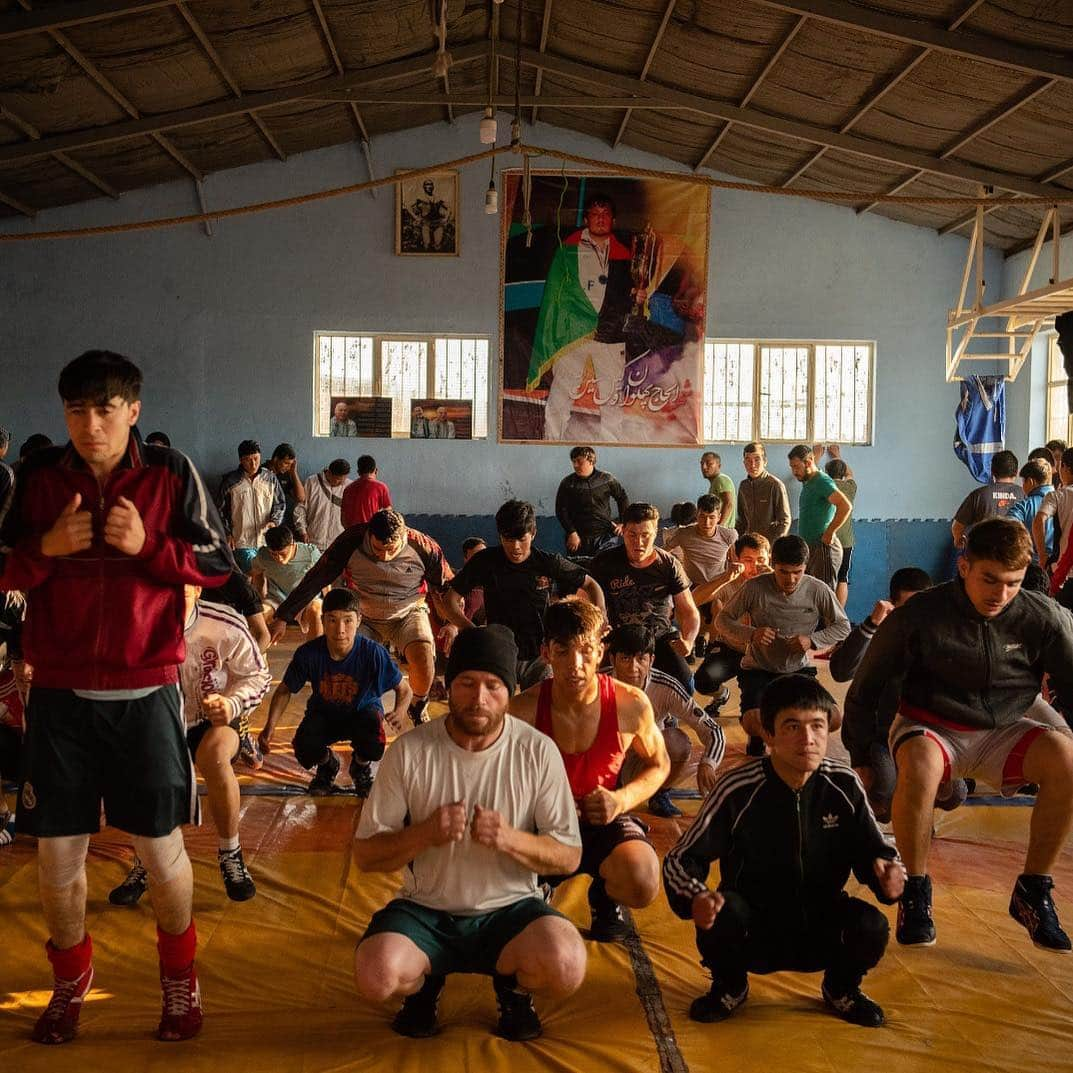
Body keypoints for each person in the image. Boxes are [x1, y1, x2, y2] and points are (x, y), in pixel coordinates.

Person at [0, 349, 233, 1043]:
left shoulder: (169, 472)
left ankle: (178, 979)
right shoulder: (36, 479)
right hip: (62, 697)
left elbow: (221, 563)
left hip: (146, 693)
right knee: (56, 861)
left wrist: (150, 547)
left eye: (105, 408)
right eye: (76, 408)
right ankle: (70, 979)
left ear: (133, 410)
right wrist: (45, 547)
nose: (90, 423)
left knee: (162, 855)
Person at [845, 518, 1073, 951]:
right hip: (931, 725)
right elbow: (863, 689)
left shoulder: (1042, 617)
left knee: (1066, 759)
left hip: (1004, 727)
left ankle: (1033, 890)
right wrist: (860, 755)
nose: (1000, 595)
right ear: (964, 566)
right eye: (990, 579)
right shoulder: (917, 616)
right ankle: (916, 890)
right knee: (920, 765)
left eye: (1012, 583)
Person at [353, 625, 586, 1040]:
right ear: (448, 686)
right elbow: (367, 856)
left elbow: (569, 856)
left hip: (512, 907)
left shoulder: (536, 751)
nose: (479, 698)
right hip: (427, 908)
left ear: (509, 692)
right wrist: (425, 833)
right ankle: (423, 987)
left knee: (567, 964)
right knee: (376, 974)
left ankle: (513, 989)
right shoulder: (410, 752)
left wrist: (508, 838)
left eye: (493, 685)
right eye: (467, 683)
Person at [663, 675, 903, 1027]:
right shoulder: (738, 788)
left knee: (871, 925)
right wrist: (696, 897)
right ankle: (730, 985)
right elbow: (680, 859)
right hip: (753, 930)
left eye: (817, 726)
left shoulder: (844, 784)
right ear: (769, 734)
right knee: (721, 912)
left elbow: (877, 851)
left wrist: (889, 875)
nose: (808, 739)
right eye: (793, 726)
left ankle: (842, 988)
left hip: (820, 925)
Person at [511, 599, 669, 941]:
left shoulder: (630, 704)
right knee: (495, 900)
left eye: (586, 651)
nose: (575, 664)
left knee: (641, 880)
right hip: (544, 826)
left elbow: (660, 763)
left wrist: (621, 799)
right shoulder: (521, 710)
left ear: (601, 651)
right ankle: (533, 891)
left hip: (604, 819)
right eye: (563, 651)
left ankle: (605, 897)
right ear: (546, 653)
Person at [109, 585, 272, 905]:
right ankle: (146, 859)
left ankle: (230, 853)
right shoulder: (133, 626)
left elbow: (258, 675)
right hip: (161, 721)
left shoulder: (224, 622)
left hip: (215, 717)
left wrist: (231, 703)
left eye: (179, 593)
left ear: (197, 590)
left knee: (214, 756)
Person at [269, 509, 453, 729]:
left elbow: (447, 588)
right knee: (350, 664)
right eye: (377, 549)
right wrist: (283, 615)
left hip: (408, 612)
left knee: (423, 657)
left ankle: (418, 704)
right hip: (364, 615)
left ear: (403, 536)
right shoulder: (350, 541)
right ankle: (359, 711)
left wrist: (451, 623)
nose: (383, 556)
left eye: (390, 550)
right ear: (369, 535)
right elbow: (316, 577)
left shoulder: (424, 546)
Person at [259, 589, 411, 797]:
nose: (340, 629)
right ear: (322, 620)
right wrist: (270, 727)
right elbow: (285, 690)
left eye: (348, 621)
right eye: (332, 620)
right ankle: (327, 765)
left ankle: (360, 766)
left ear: (358, 620)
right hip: (324, 714)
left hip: (362, 714)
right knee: (304, 745)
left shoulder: (373, 653)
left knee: (374, 742)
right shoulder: (309, 653)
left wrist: (400, 711)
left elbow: (404, 689)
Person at [443, 500, 605, 691]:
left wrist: (601, 615)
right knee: (501, 712)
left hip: (540, 653)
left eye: (522, 539)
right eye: (509, 540)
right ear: (500, 536)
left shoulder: (547, 562)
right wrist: (474, 631)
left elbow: (591, 585)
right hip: (500, 651)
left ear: (533, 533)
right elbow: (450, 600)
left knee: (542, 710)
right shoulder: (485, 561)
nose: (516, 547)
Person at [715, 535, 850, 756]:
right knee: (751, 722)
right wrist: (752, 634)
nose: (791, 579)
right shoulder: (754, 587)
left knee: (834, 717)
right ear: (773, 566)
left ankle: (785, 740)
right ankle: (767, 739)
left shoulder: (817, 589)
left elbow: (843, 626)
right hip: (759, 668)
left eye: (798, 572)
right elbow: (722, 620)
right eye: (784, 572)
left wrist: (812, 640)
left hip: (798, 669)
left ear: (805, 567)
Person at [829, 567, 934, 820]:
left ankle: (918, 805)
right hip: (879, 737)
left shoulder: (939, 633)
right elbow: (842, 672)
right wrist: (871, 625)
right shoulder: (880, 636)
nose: (914, 616)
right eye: (906, 608)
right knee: (884, 791)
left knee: (954, 792)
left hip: (925, 733)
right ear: (893, 606)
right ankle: (873, 809)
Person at [529, 194, 634, 442]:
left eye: (605, 214)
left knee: (611, 397)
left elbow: (628, 293)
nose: (600, 218)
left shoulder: (625, 254)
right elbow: (554, 294)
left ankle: (612, 448)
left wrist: (638, 294)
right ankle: (551, 442)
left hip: (610, 333)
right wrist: (560, 326)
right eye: (595, 214)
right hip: (573, 332)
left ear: (613, 220)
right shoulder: (568, 250)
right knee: (561, 392)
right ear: (586, 218)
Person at [607, 625, 725, 818]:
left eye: (641, 659)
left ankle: (660, 793)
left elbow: (712, 729)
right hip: (605, 760)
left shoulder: (666, 686)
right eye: (625, 659)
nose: (633, 667)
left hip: (644, 759)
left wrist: (708, 763)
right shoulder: (596, 683)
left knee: (678, 742)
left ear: (651, 660)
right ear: (612, 659)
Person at [589, 503, 701, 691]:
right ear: (622, 531)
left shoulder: (669, 565)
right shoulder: (604, 563)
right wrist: (594, 637)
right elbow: (584, 602)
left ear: (655, 532)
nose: (638, 542)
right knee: (596, 688)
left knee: (685, 685)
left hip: (660, 638)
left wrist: (688, 640)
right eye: (632, 535)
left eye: (645, 535)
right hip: (618, 638)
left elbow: (689, 611)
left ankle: (667, 718)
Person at [693, 533, 772, 713]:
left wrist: (774, 580)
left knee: (754, 710)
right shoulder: (731, 580)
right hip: (731, 649)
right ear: (737, 559)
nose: (755, 567)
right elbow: (693, 599)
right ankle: (721, 695)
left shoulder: (778, 581)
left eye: (761, 560)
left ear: (770, 557)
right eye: (748, 560)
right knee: (703, 681)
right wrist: (724, 579)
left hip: (762, 656)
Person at [787, 444, 852, 591]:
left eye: (796, 467)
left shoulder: (823, 481)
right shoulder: (808, 481)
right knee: (810, 594)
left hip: (823, 548)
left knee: (823, 594)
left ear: (809, 462)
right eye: (792, 467)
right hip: (809, 548)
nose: (794, 471)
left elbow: (845, 506)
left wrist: (829, 533)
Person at [217, 440, 285, 573]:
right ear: (241, 460)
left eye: (256, 458)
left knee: (268, 578)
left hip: (267, 541)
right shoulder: (231, 481)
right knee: (250, 577)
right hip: (242, 540)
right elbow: (220, 509)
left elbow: (280, 503)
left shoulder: (270, 478)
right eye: (248, 460)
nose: (253, 464)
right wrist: (227, 533)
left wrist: (274, 521)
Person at [250, 525, 323, 637]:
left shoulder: (310, 553)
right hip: (276, 599)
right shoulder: (263, 555)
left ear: (292, 544)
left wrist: (328, 602)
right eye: (274, 554)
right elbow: (256, 575)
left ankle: (315, 653)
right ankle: (257, 652)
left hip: (304, 599)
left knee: (315, 611)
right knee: (259, 616)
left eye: (282, 553)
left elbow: (325, 576)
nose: (279, 558)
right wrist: (259, 598)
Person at [555, 445, 629, 555]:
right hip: (578, 537)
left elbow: (622, 497)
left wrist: (623, 522)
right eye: (573, 461)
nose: (575, 465)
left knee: (605, 569)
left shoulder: (606, 479)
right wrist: (572, 532)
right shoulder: (567, 483)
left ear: (591, 461)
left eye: (579, 461)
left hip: (605, 535)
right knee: (578, 569)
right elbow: (560, 510)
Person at [950, 448, 1024, 549]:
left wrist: (959, 541)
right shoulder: (1024, 495)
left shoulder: (978, 495)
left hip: (984, 555)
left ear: (992, 471)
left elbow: (957, 527)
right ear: (1016, 472)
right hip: (1015, 556)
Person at [1034, 448, 1073, 596]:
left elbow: (1039, 521)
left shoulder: (1057, 496)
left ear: (1066, 468)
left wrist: (1042, 554)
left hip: (1063, 571)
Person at [736, 442, 791, 543]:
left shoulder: (775, 485)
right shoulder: (743, 486)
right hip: (749, 543)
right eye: (748, 460)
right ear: (744, 463)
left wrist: (774, 546)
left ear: (765, 461)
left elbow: (784, 521)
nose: (752, 465)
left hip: (769, 545)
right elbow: (741, 520)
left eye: (757, 459)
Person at [824, 455, 857, 607]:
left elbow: (812, 472)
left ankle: (826, 614)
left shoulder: (824, 485)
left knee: (824, 578)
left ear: (826, 472)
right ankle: (840, 616)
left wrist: (817, 454)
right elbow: (850, 474)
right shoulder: (851, 487)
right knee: (842, 578)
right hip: (846, 541)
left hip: (827, 538)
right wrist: (837, 455)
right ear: (843, 473)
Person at [1008, 457, 1055, 565]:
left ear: (1030, 481)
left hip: (1031, 567)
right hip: (1062, 567)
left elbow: (1007, 527)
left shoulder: (1023, 506)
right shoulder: (1064, 501)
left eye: (1023, 482)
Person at [302, 458, 352, 551]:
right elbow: (301, 508)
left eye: (343, 479)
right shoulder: (312, 482)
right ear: (329, 473)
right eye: (338, 480)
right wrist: (303, 531)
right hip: (313, 542)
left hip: (338, 545)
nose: (341, 482)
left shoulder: (350, 487)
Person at [266, 443, 307, 541]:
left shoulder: (287, 474)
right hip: (266, 521)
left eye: (291, 464)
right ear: (275, 459)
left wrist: (293, 472)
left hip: (284, 522)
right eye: (286, 463)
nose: (288, 467)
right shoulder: (263, 473)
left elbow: (300, 498)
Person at [341, 455, 392, 527]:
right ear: (376, 470)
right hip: (372, 532)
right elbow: (388, 512)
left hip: (352, 532)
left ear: (358, 472)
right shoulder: (381, 487)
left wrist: (349, 531)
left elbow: (343, 517)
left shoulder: (348, 489)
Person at [409, 178, 452, 252]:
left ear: (433, 187)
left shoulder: (438, 198)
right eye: (427, 184)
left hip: (437, 223)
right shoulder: (420, 198)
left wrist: (446, 218)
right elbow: (408, 207)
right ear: (424, 187)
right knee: (427, 244)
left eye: (431, 184)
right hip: (426, 223)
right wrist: (415, 217)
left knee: (437, 245)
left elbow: (449, 208)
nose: (429, 186)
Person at [699, 452, 736, 527]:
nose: (704, 467)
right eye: (702, 463)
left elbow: (728, 504)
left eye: (709, 463)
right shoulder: (715, 482)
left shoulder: (721, 479)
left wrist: (718, 527)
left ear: (719, 466)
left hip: (723, 531)